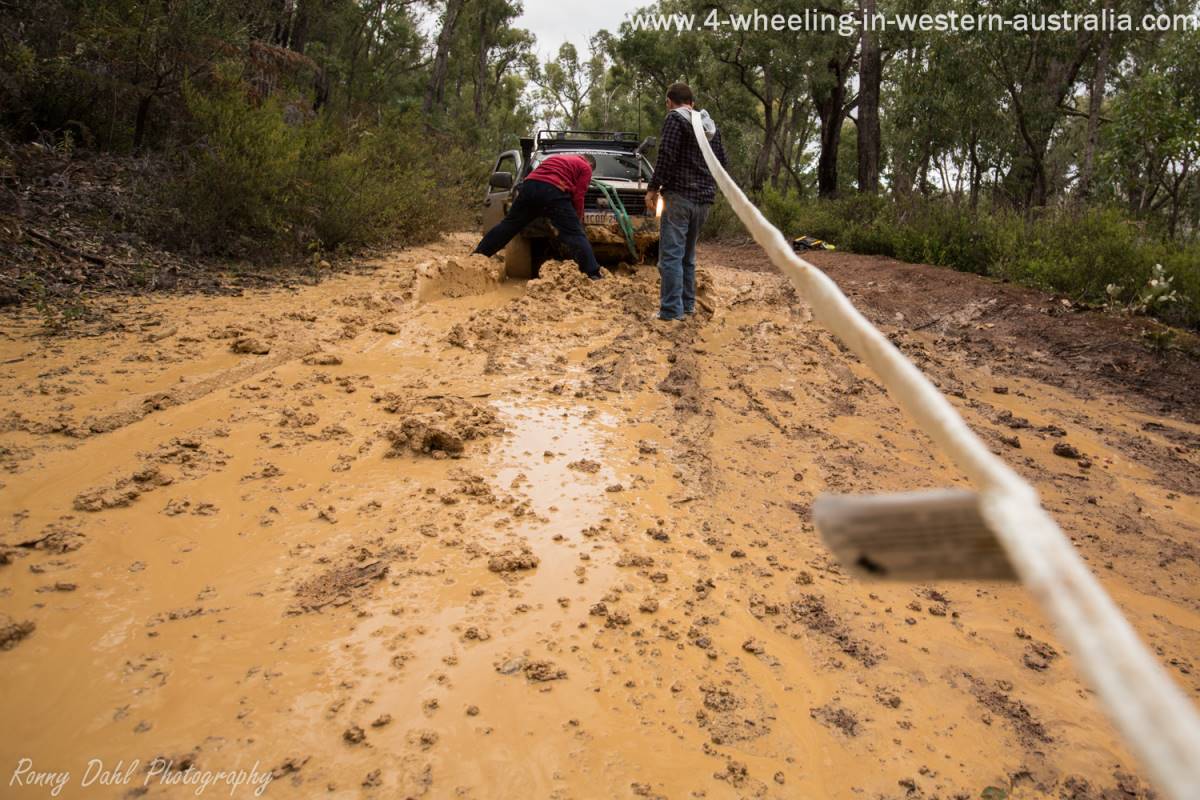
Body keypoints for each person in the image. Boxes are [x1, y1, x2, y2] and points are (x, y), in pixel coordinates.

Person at [645, 82, 728, 321]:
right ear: (692, 102)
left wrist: (653, 189)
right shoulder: (710, 126)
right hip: (704, 202)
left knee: (670, 256)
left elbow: (666, 156)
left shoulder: (675, 119)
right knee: (687, 256)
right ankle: (687, 306)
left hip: (680, 197)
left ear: (669, 102)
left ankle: (671, 311)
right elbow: (722, 163)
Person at [474, 152, 604, 280]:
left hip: (529, 187)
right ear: (590, 164)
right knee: (574, 234)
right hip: (554, 190)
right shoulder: (586, 167)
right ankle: (593, 274)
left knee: (509, 225)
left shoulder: (556, 158)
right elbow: (578, 195)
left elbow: (536, 176)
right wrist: (578, 218)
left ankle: (477, 256)